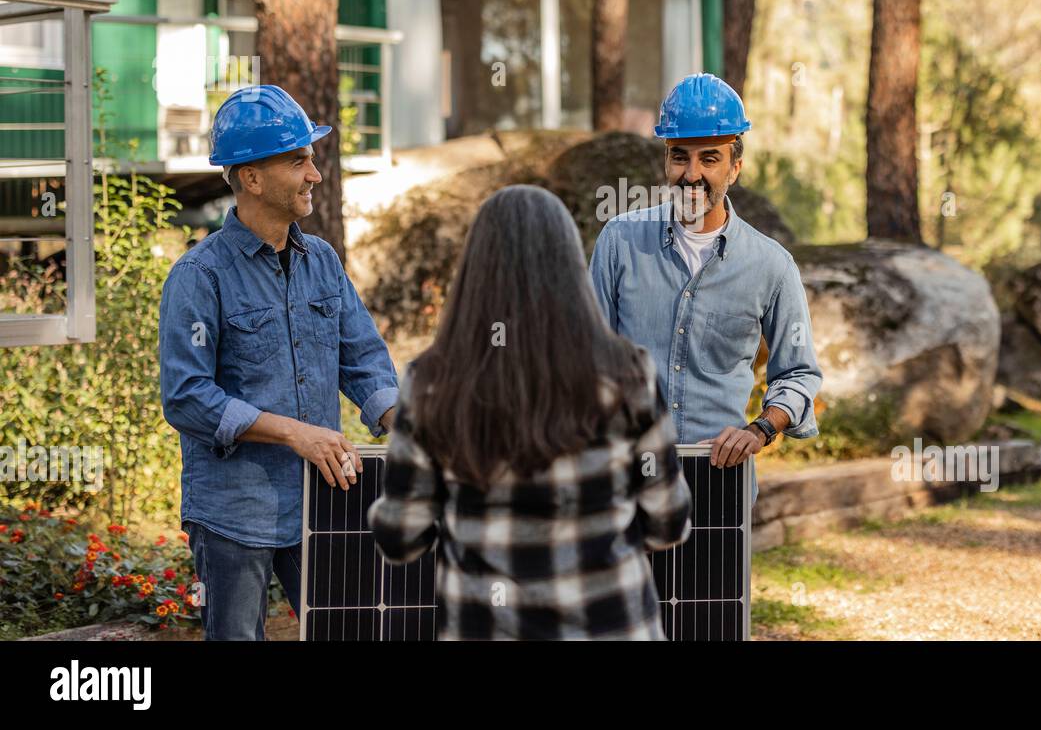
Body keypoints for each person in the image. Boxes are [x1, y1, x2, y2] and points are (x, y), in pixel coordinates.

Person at [368, 184, 692, 640]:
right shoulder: (629, 376)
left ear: (476, 271)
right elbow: (668, 523)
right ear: (570, 267)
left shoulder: (431, 384)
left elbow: (400, 536)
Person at [159, 84, 399, 640]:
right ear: (252, 177)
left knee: (351, 632)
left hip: (321, 502)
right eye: (299, 161)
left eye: (311, 159)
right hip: (232, 515)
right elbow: (188, 397)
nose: (315, 175)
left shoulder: (322, 262)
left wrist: (402, 424)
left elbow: (361, 357)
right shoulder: (199, 277)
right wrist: (296, 434)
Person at [588, 73, 823, 487]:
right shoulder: (619, 242)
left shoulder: (772, 265)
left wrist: (760, 430)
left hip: (720, 481)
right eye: (680, 156)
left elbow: (799, 374)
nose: (691, 174)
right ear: (666, 159)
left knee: (713, 557)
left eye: (709, 158)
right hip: (628, 480)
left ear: (735, 167)